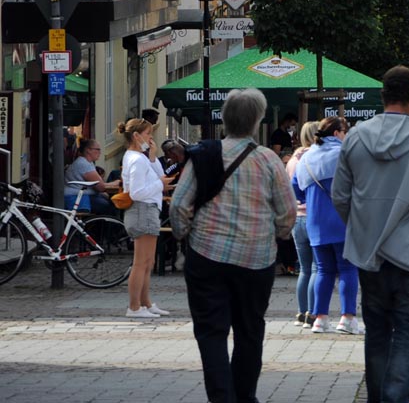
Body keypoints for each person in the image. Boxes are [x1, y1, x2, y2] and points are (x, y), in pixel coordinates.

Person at [170, 89, 296, 403]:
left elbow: (178, 207)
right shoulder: (269, 160)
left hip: (207, 256)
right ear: (257, 121)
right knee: (250, 331)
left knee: (211, 332)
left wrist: (185, 234)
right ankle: (245, 396)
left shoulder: (203, 155)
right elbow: (287, 212)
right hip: (256, 259)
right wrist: (277, 235)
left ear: (224, 119)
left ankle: (222, 397)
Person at [331, 66, 409, 403]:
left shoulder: (355, 136)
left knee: (377, 333)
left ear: (383, 96)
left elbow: (340, 196)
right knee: (408, 335)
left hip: (370, 256)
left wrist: (363, 229)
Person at [295, 116, 362, 335]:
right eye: (345, 131)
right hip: (342, 220)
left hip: (315, 222)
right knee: (348, 269)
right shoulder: (344, 155)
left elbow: (296, 190)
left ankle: (320, 318)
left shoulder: (306, 157)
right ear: (337, 134)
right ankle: (347, 318)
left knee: (323, 269)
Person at [119, 118, 167, 319]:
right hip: (142, 208)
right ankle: (134, 306)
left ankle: (145, 303)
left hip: (147, 209)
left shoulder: (140, 157)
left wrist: (153, 156)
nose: (151, 137)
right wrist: (160, 185)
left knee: (148, 262)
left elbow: (159, 175)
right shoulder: (136, 159)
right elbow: (136, 192)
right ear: (136, 136)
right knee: (141, 262)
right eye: (148, 133)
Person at [286, 121, 320, 326]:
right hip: (313, 215)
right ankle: (313, 313)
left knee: (305, 269)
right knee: (318, 268)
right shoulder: (316, 156)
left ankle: (301, 312)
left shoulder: (293, 159)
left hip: (296, 217)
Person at [66, 138, 120, 216]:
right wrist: (116, 183)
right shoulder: (83, 164)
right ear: (88, 150)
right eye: (97, 149)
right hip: (77, 197)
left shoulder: (88, 163)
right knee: (109, 207)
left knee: (110, 202)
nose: (100, 152)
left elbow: (98, 185)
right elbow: (100, 187)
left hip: (83, 195)